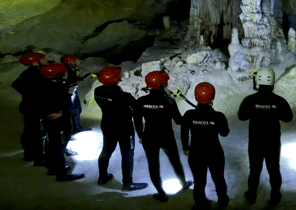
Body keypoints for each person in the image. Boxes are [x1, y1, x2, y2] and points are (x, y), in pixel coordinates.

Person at [133, 71, 193, 202]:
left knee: (153, 166)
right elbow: (178, 121)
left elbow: (137, 120)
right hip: (166, 137)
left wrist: (140, 135)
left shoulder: (141, 101)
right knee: (175, 161)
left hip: (149, 137)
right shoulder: (169, 101)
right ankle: (183, 184)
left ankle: (161, 193)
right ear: (163, 84)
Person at [238, 67, 293, 205]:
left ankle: (251, 195)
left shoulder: (250, 100)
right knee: (274, 169)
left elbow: (241, 116)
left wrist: (255, 110)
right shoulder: (279, 100)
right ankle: (275, 195)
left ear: (258, 81)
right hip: (273, 142)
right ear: (272, 82)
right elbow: (288, 117)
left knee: (255, 170)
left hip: (256, 142)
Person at [93, 66, 148, 191]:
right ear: (116, 80)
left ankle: (102, 177)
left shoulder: (98, 91)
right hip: (124, 129)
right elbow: (138, 111)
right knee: (127, 154)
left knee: (106, 151)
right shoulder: (125, 96)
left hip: (107, 126)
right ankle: (128, 183)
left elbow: (112, 105)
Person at [181, 82, 230, 210]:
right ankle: (223, 200)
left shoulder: (189, 115)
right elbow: (225, 133)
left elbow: (184, 132)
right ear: (212, 97)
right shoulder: (218, 116)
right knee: (219, 179)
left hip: (196, 153)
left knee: (199, 182)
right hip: (215, 152)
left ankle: (201, 205)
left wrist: (185, 147)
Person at [40, 63, 85, 182]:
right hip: (59, 122)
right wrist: (60, 110)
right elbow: (62, 103)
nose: (65, 75)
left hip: (49, 120)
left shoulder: (46, 84)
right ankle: (61, 174)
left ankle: (53, 168)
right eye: (63, 73)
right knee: (60, 146)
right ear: (56, 75)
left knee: (52, 143)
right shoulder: (56, 88)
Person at [12, 52, 48, 166]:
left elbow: (16, 84)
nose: (45, 60)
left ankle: (28, 154)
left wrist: (28, 95)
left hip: (27, 106)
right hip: (35, 107)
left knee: (29, 130)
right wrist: (34, 96)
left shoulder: (27, 73)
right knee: (38, 132)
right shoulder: (38, 73)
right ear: (35, 62)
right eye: (43, 59)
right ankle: (39, 158)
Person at [60, 54, 93, 133]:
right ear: (71, 61)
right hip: (69, 92)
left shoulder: (72, 69)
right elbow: (65, 82)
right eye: (77, 60)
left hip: (73, 91)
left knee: (77, 109)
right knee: (69, 111)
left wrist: (83, 78)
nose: (80, 61)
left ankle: (76, 127)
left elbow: (72, 79)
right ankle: (66, 131)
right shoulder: (65, 70)